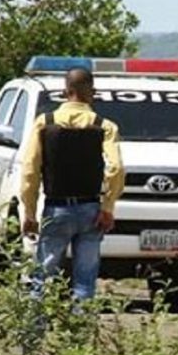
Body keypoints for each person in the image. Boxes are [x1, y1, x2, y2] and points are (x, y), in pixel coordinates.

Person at [20, 67, 124, 301]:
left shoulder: (44, 123)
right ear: (92, 92)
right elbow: (116, 168)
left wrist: (29, 212)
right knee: (85, 283)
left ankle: (33, 336)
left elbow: (30, 171)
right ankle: (80, 334)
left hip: (55, 208)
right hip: (90, 210)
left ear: (66, 91)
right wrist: (108, 207)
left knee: (42, 280)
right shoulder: (105, 126)